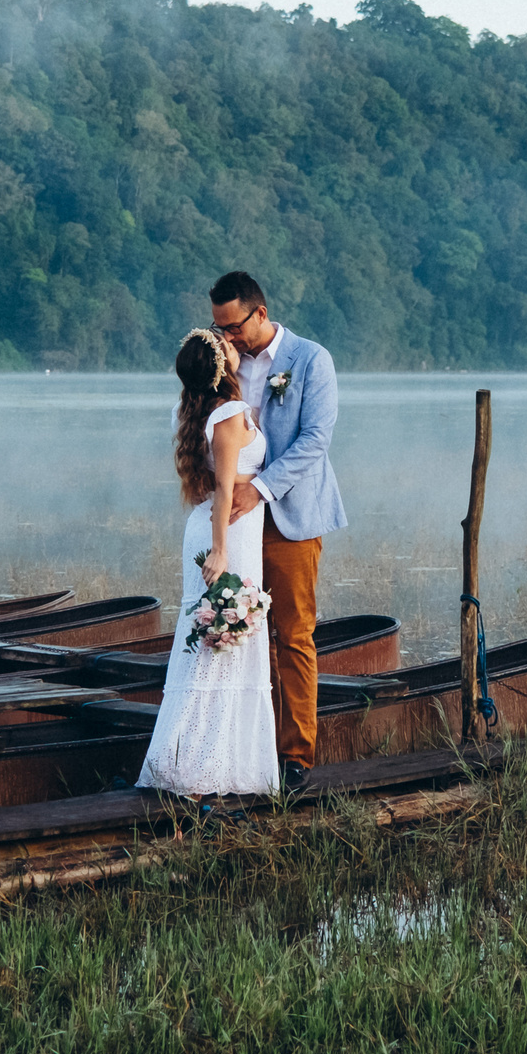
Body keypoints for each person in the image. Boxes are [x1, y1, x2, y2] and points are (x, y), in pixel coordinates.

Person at [209, 270, 346, 790]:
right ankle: (246, 748)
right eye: (219, 327)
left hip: (289, 517)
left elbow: (315, 441)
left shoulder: (311, 359)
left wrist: (259, 489)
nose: (229, 336)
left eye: (234, 326)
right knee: (238, 632)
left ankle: (296, 758)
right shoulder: (227, 362)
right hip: (238, 523)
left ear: (260, 314)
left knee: (293, 635)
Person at [136, 328, 279, 797]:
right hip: (227, 532)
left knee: (214, 642)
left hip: (211, 526)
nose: (238, 348)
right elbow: (224, 490)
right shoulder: (231, 415)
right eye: (229, 347)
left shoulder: (192, 411)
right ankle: (205, 768)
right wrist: (220, 550)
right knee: (222, 641)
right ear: (221, 367)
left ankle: (208, 760)